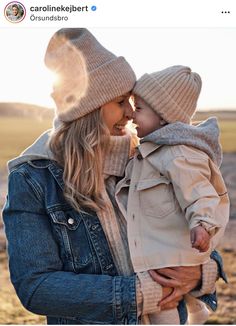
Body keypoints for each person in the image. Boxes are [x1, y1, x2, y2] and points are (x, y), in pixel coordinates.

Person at [2, 29, 225, 325]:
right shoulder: (32, 178)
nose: (131, 113)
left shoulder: (148, 159)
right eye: (121, 101)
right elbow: (36, 287)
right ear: (89, 107)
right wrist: (138, 293)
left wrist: (201, 272)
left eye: (132, 101)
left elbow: (194, 230)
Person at [115, 65, 230, 324]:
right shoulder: (152, 151)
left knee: (162, 306)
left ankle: (196, 309)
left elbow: (200, 193)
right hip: (162, 252)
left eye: (139, 108)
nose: (132, 115)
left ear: (163, 116)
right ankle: (195, 306)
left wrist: (202, 224)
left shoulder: (178, 154)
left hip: (170, 256)